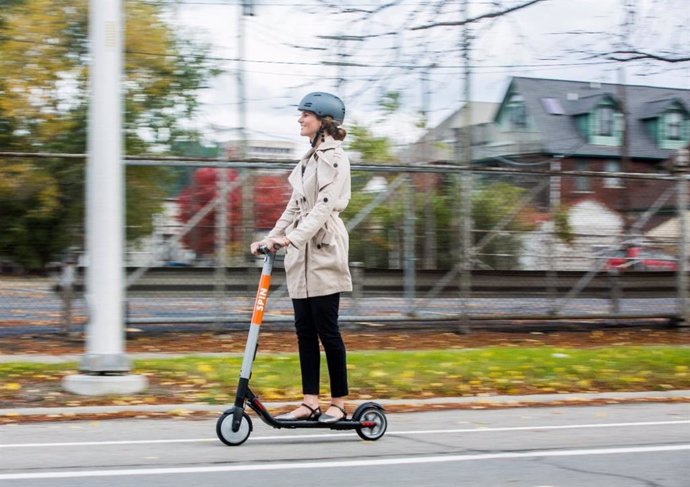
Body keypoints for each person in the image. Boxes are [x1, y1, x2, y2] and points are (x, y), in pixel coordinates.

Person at [250, 92, 352, 423]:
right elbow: (294, 207)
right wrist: (270, 238)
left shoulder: (334, 159)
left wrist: (289, 239)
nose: (299, 119)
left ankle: (338, 402)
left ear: (323, 121)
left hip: (323, 248)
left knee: (328, 330)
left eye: (305, 114)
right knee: (304, 331)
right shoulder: (308, 159)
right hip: (301, 252)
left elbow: (323, 208)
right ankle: (310, 401)